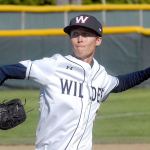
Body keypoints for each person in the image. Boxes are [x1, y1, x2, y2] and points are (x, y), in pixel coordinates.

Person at [0, 14, 150, 150]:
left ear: (98, 40)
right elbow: (4, 71)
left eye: (85, 34)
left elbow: (119, 83)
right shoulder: (54, 65)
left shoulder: (100, 75)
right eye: (75, 34)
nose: (79, 39)